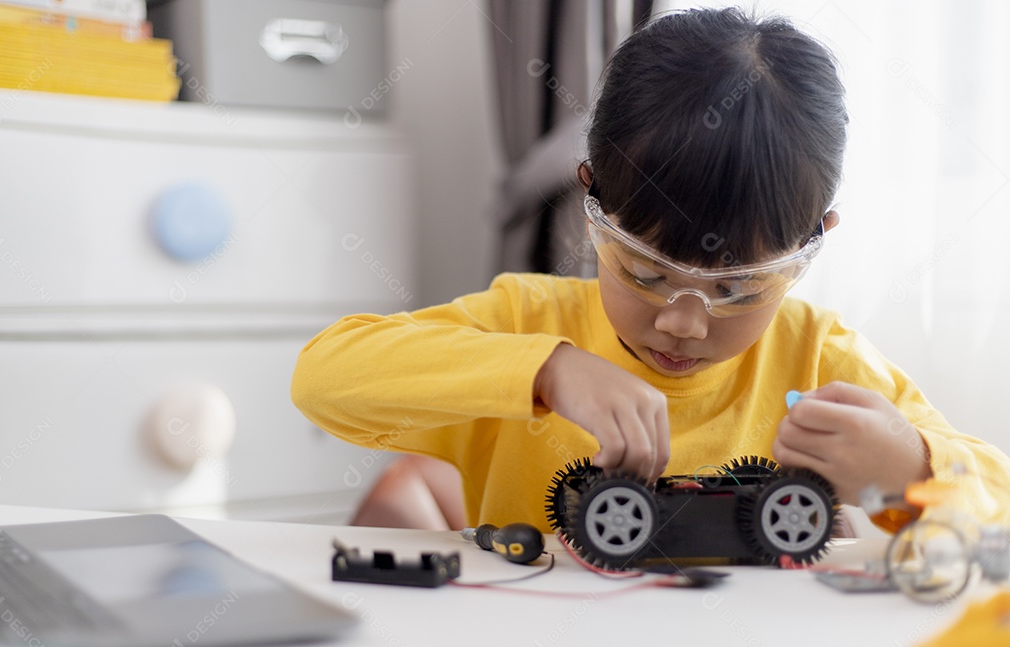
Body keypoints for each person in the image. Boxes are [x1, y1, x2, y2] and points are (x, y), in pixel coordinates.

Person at [294, 7, 1010, 534]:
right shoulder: (526, 324)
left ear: (813, 242)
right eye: (645, 270)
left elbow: (999, 514)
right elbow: (322, 379)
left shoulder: (819, 360)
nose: (682, 322)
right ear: (592, 201)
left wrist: (912, 469)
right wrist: (545, 372)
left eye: (735, 289)